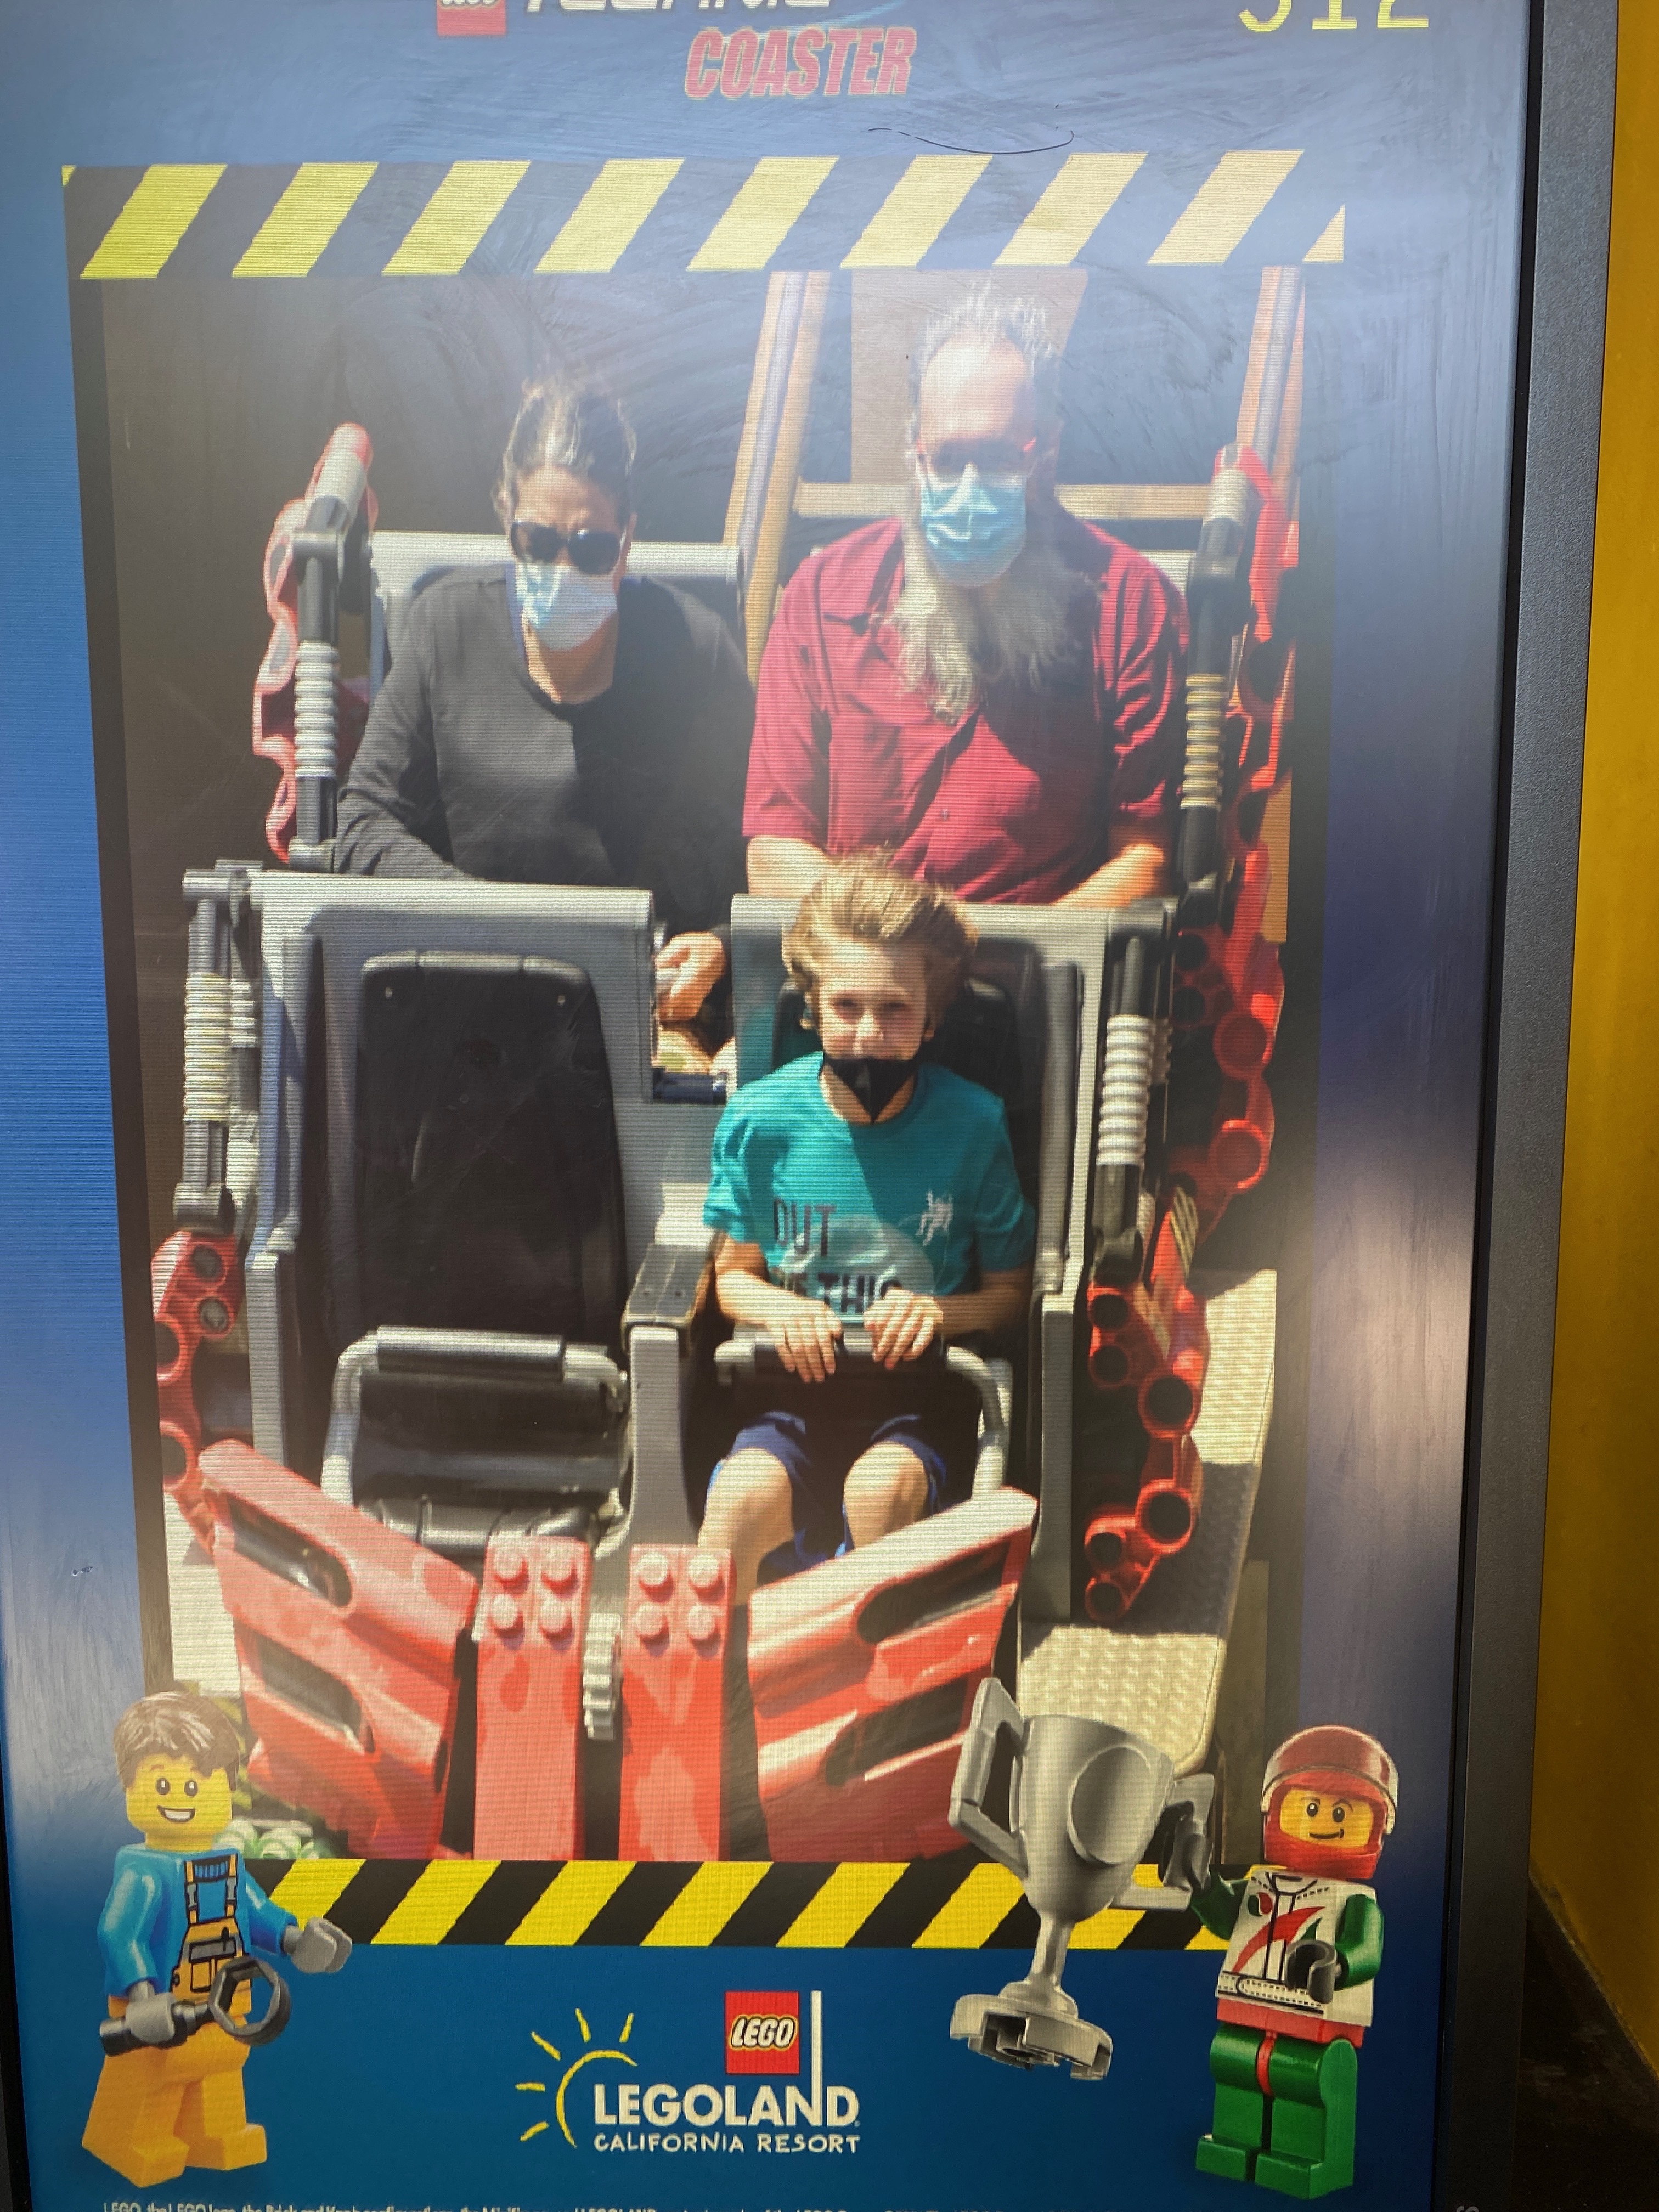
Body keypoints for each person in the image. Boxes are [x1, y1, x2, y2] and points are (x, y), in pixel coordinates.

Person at [336, 377, 753, 1034]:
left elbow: (757, 841)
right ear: (507, 520)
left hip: (646, 1020)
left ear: (627, 542)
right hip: (470, 1004)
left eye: (590, 548)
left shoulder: (694, 653)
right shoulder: (446, 628)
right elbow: (362, 821)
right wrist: (494, 925)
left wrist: (721, 948)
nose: (563, 569)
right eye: (537, 542)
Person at [744, 291, 1187, 909]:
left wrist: (1013, 954)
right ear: (915, 452)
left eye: (999, 457)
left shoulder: (1131, 606)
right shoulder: (822, 599)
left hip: (1046, 963)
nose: (970, 486)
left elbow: (1146, 860)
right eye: (948, 459)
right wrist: (909, 949)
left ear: (1048, 452)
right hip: (858, 963)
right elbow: (773, 853)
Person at [698, 856, 1035, 1601]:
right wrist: (783, 1311)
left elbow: (1011, 1295)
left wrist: (936, 1312)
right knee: (738, 1501)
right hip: (793, 1398)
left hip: (916, 1400)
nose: (869, 1035)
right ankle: (718, 1671)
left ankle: (865, 1666)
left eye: (895, 1010)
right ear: (812, 1010)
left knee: (879, 1493)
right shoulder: (761, 1121)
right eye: (846, 1007)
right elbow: (733, 1279)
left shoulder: (972, 1125)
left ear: (932, 1018)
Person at [82, 1692, 352, 2186]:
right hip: (160, 2005)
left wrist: (294, 1940)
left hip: (227, 1997)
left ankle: (217, 2132)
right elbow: (119, 1932)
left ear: (227, 1787)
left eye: (195, 1784)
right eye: (162, 1782)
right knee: (155, 2070)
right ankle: (128, 2135)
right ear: (129, 1786)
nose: (181, 1797)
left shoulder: (226, 1865)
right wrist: (142, 1995)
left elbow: (256, 1912)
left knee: (223, 2064)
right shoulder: (144, 1871)